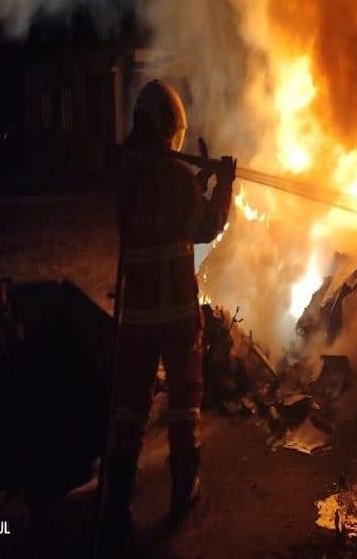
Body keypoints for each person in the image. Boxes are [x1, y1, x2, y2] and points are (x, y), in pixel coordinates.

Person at [99, 80, 235, 542]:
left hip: (136, 319)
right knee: (183, 406)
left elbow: (163, 212)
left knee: (130, 411)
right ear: (169, 127)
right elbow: (207, 225)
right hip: (176, 316)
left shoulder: (128, 178)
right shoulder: (175, 176)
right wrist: (224, 187)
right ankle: (182, 491)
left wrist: (195, 185)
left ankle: (115, 504)